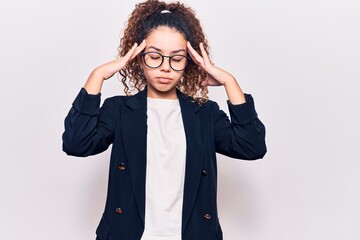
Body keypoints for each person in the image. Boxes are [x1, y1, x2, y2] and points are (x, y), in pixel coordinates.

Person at [62, 0, 266, 239]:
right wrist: (97, 75)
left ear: (189, 62)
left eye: (176, 58)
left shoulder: (205, 114)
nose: (165, 67)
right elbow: (76, 144)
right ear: (139, 58)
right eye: (154, 56)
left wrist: (230, 82)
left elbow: (251, 146)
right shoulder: (118, 110)